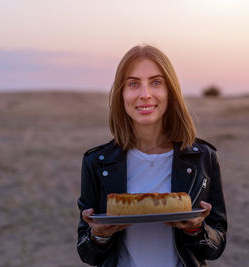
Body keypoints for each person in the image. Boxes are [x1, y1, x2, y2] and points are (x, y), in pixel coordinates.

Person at [76, 44, 227, 267]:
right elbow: (87, 254)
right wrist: (99, 235)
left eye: (156, 82)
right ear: (122, 93)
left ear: (170, 91)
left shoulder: (203, 158)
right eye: (133, 83)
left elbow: (216, 245)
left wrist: (196, 229)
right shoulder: (97, 163)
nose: (145, 94)